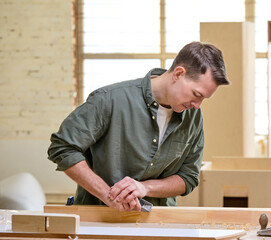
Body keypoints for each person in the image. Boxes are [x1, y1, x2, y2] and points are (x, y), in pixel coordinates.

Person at [48, 41, 229, 212]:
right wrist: (107, 195)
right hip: (100, 221)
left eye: (204, 98)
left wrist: (144, 187)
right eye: (196, 94)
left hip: (159, 224)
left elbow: (188, 177)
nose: (197, 105)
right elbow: (62, 147)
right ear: (178, 73)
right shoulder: (109, 100)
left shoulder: (193, 117)